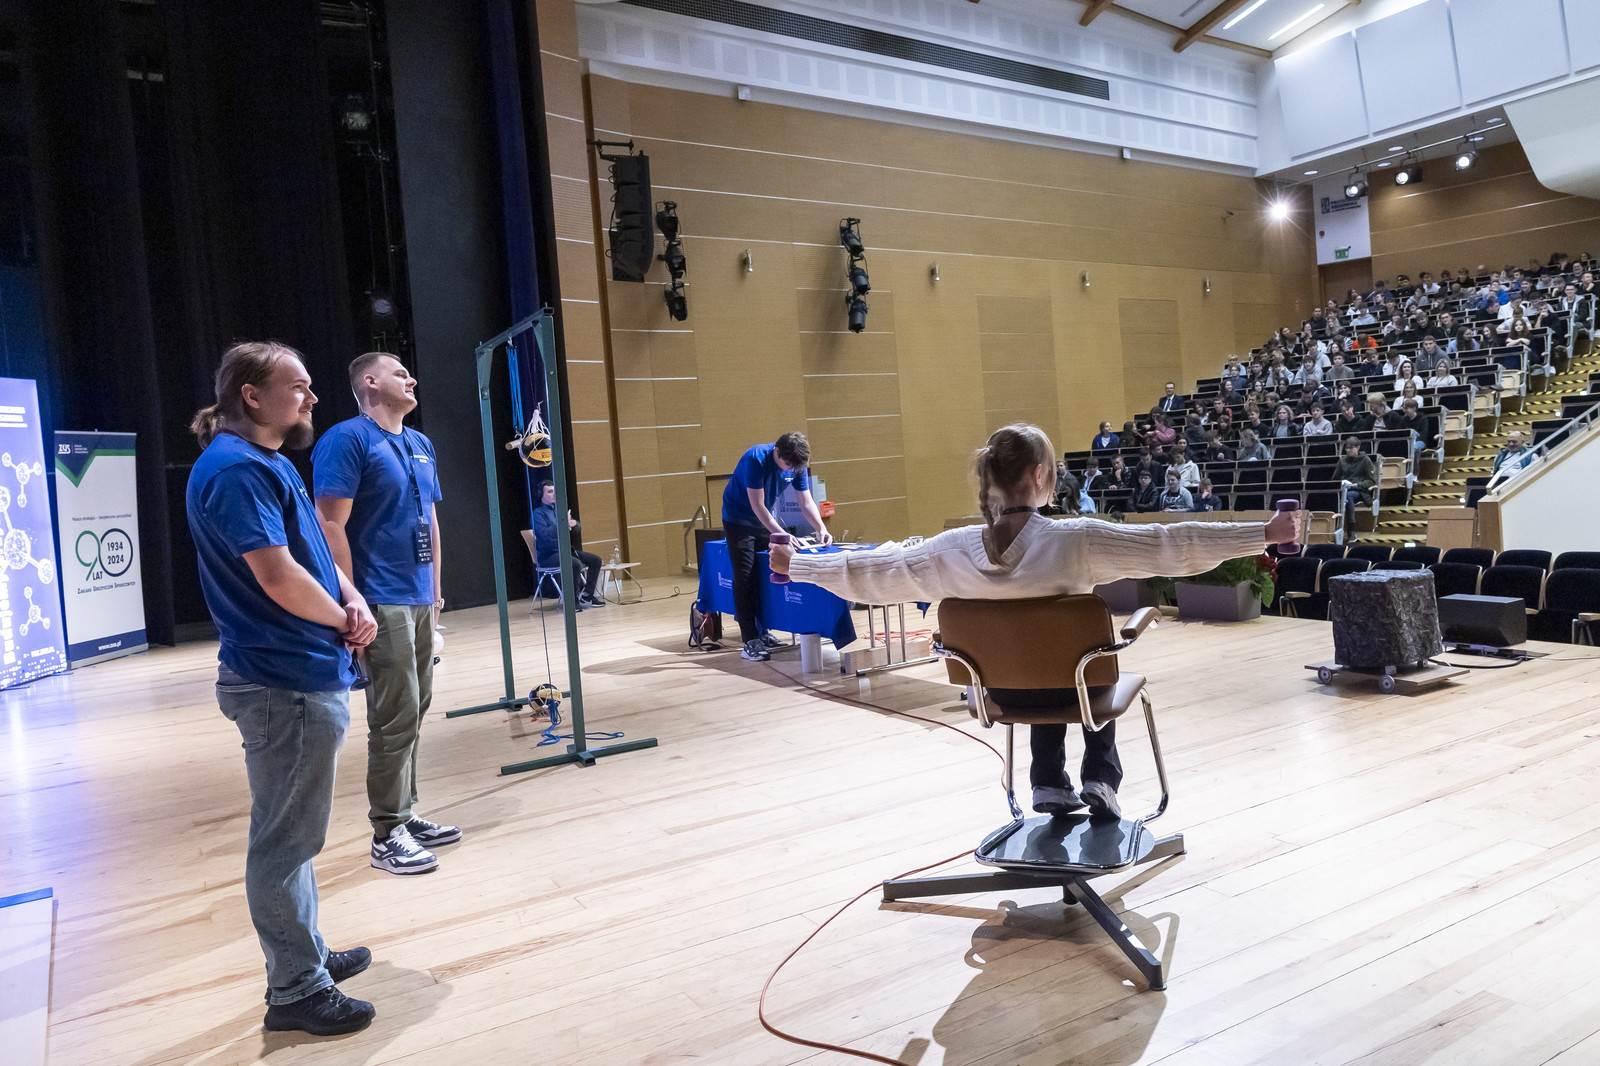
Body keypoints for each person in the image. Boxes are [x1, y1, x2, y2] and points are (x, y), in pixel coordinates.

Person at [767, 423, 1300, 819]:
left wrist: (799, 564)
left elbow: (872, 571)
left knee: (1041, 659)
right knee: (1087, 662)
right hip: (1078, 690)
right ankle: (1100, 777)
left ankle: (1046, 781)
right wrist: (1265, 533)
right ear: (1040, 475)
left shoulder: (949, 550)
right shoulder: (1077, 539)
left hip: (999, 693)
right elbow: (1171, 544)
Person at [186, 341, 379, 1036]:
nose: (312, 397)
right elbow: (277, 575)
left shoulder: (264, 460)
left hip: (296, 672)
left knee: (295, 831)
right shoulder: (237, 469)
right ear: (251, 395)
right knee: (284, 841)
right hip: (282, 680)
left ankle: (308, 954)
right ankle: (296, 989)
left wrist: (351, 596)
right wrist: (345, 619)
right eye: (298, 386)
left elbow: (313, 554)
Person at [312, 352, 460, 879]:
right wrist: (350, 599)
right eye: (400, 372)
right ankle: (387, 832)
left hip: (419, 598)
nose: (411, 378)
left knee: (416, 707)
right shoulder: (347, 439)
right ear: (370, 382)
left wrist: (435, 595)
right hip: (378, 596)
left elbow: (430, 521)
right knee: (395, 714)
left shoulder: (420, 443)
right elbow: (329, 525)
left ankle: (406, 811)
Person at [722, 433, 832, 662]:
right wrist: (781, 533)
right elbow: (757, 505)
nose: (791, 470)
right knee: (745, 576)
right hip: (739, 520)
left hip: (765, 520)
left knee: (768, 572)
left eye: (795, 467)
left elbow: (806, 501)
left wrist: (821, 527)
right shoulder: (755, 458)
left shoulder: (796, 464)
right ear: (777, 453)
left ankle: (763, 631)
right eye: (788, 465)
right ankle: (750, 640)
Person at [532, 481, 604, 608]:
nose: (554, 494)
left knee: (596, 560)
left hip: (566, 551)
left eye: (555, 491)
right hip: (548, 555)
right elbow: (544, 534)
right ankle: (572, 601)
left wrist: (574, 525)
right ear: (541, 495)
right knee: (575, 563)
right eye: (550, 491)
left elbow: (576, 529)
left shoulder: (559, 510)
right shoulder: (538, 514)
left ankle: (587, 595)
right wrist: (562, 525)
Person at [1335, 436, 1377, 544]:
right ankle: (1333, 527)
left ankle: (1351, 530)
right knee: (1339, 495)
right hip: (1344, 489)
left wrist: (1356, 484)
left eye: (1351, 448)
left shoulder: (1365, 460)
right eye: (1346, 448)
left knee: (1347, 496)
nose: (1348, 450)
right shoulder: (1342, 461)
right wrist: (1340, 483)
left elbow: (1372, 481)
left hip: (1359, 490)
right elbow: (1335, 478)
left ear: (1358, 447)